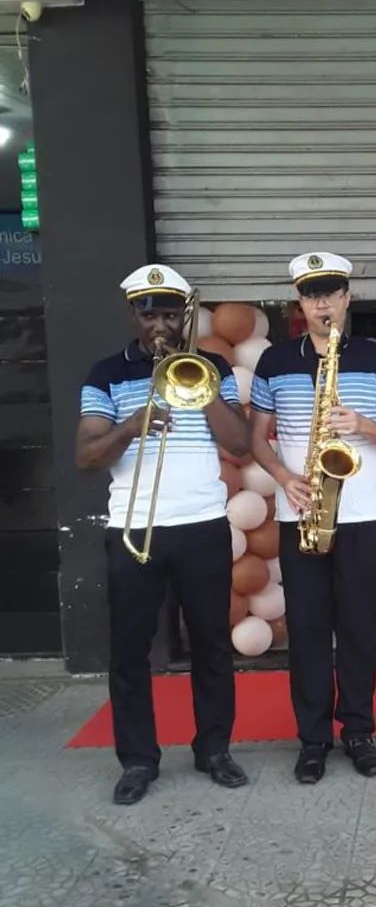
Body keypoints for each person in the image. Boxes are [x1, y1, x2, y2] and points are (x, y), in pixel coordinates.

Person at [76, 264, 251, 806]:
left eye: (171, 314)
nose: (160, 325)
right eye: (150, 314)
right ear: (134, 314)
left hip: (202, 525)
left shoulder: (213, 367)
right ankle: (137, 760)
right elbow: (86, 456)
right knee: (130, 650)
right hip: (135, 527)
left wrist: (200, 385)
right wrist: (131, 426)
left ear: (184, 318)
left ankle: (214, 749)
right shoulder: (107, 374)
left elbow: (240, 443)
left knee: (212, 644)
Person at [250, 253, 376, 784]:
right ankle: (313, 739)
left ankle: (359, 732)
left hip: (358, 513)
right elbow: (255, 437)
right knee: (308, 629)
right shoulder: (274, 360)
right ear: (300, 301)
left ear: (347, 297)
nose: (322, 304)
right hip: (301, 511)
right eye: (312, 294)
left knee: (359, 627)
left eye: (331, 293)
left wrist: (362, 424)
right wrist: (283, 477)